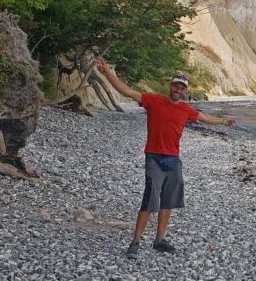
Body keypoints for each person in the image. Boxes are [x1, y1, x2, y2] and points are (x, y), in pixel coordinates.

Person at [94, 58, 235, 258]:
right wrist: (108, 73)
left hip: (173, 160)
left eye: (182, 88)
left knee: (168, 201)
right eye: (176, 86)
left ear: (185, 91)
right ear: (171, 86)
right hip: (154, 158)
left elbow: (205, 118)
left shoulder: (186, 109)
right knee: (149, 201)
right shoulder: (153, 100)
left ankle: (159, 240)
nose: (178, 90)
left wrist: (224, 121)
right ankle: (135, 242)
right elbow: (127, 91)